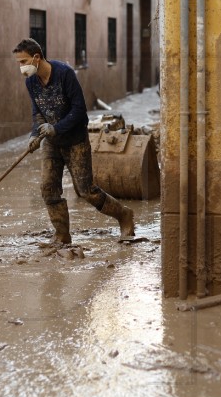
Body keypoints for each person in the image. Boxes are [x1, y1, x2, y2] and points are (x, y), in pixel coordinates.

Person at [12, 38, 135, 244]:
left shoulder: (64, 74)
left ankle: (124, 215)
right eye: (18, 63)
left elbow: (80, 110)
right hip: (52, 142)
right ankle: (62, 235)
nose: (21, 67)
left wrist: (56, 127)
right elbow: (38, 112)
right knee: (48, 188)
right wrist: (35, 134)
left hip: (75, 140)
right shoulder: (31, 82)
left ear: (36, 57)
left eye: (23, 61)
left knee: (86, 191)